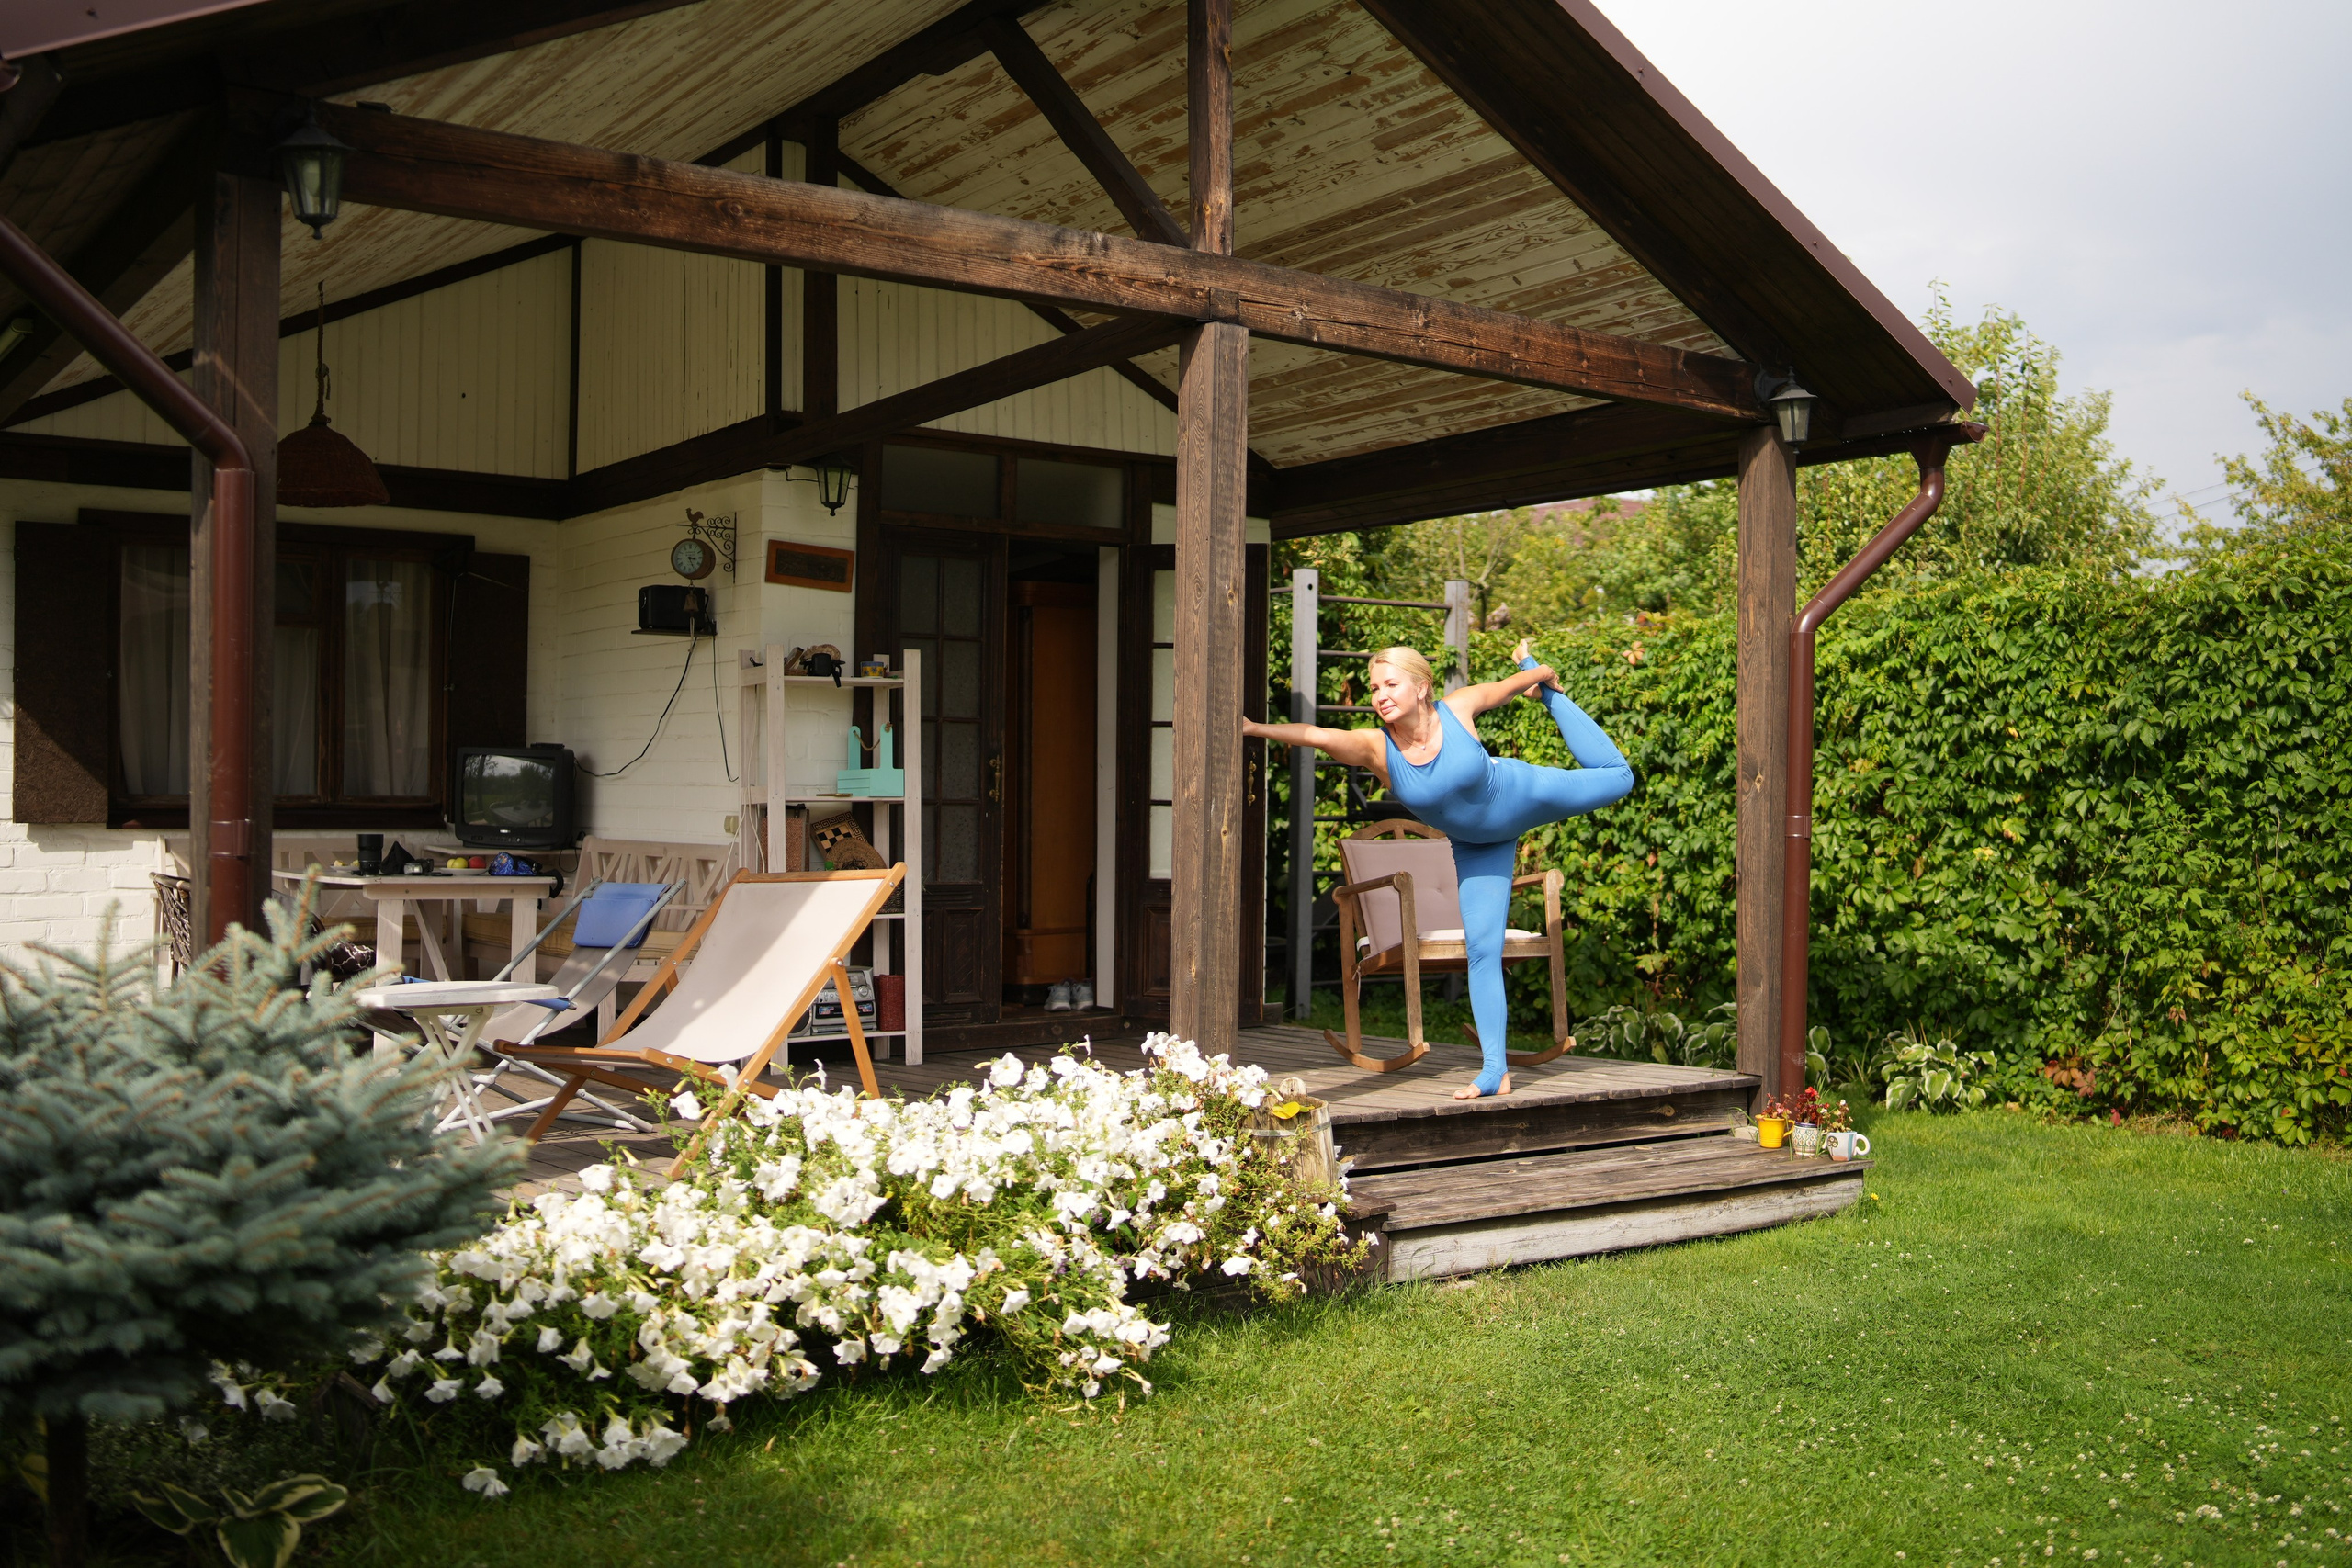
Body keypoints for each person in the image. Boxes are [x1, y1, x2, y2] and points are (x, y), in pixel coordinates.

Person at [1243, 639, 1633, 1098]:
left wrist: (1539, 674)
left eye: (1390, 683)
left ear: (1422, 687)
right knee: (1482, 951)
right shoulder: (1377, 748)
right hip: (1477, 848)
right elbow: (1316, 735)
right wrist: (1253, 728)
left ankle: (1553, 700)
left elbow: (1507, 688)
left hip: (1522, 793)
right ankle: (1495, 1072)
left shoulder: (1457, 708)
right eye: (1373, 687)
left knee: (1618, 777)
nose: (1380, 695)